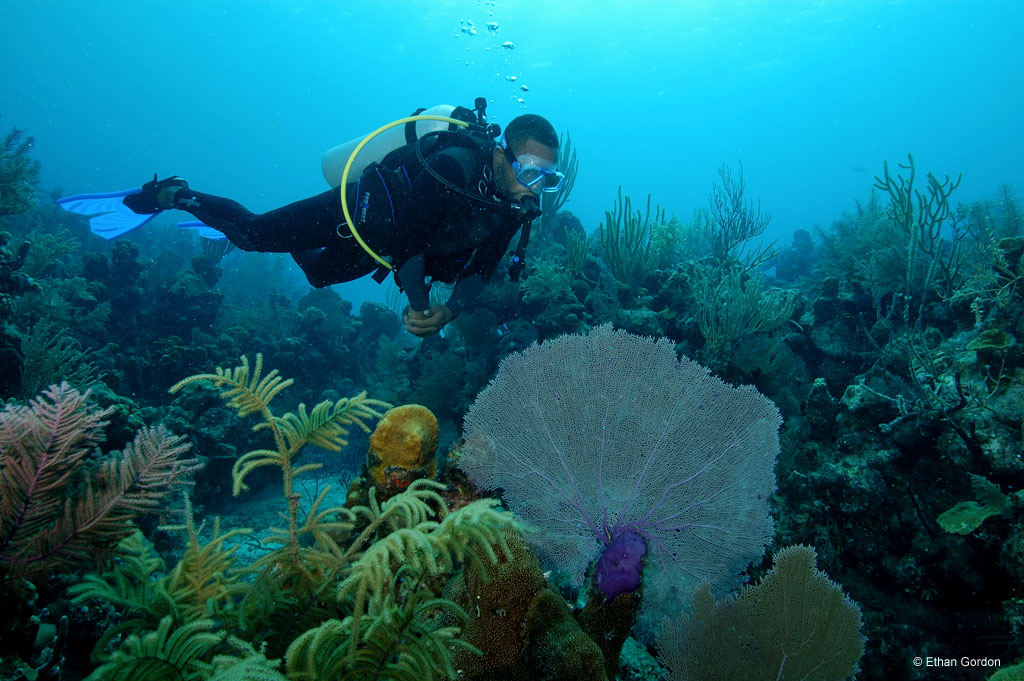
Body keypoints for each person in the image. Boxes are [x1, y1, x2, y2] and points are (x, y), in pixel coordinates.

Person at [122, 108, 564, 338]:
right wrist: (417, 304)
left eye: (547, 179)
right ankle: (176, 194)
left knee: (317, 275)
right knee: (252, 234)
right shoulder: (454, 166)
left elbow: (482, 269)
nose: (533, 189)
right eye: (528, 171)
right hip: (357, 212)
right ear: (501, 153)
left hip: (383, 246)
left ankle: (294, 239)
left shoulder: (511, 206)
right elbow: (410, 239)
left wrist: (448, 311)